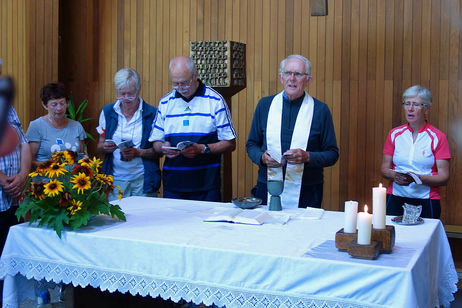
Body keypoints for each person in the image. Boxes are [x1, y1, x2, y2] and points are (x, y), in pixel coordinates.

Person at [246, 54, 339, 208]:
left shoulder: (320, 110)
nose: (292, 78)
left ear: (308, 80)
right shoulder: (265, 105)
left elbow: (332, 154)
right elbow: (251, 145)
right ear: (281, 77)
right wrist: (262, 157)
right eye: (288, 73)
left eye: (298, 74)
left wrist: (308, 156)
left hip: (307, 190)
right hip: (267, 185)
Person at [150, 56, 236, 201]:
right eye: (175, 84)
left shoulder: (215, 100)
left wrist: (202, 149)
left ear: (195, 75)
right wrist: (163, 147)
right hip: (173, 186)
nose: (180, 88)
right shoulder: (165, 102)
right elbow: (156, 142)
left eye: (184, 82)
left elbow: (230, 143)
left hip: (206, 186)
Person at [381, 85, 451, 219]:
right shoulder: (394, 134)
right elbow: (384, 169)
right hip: (396, 196)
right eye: (407, 104)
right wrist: (395, 175)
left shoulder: (438, 137)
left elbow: (444, 177)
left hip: (426, 199)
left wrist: (417, 178)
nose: (410, 109)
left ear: (427, 109)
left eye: (416, 105)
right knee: (393, 238)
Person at [97, 68, 161, 201]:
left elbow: (158, 152)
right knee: (115, 220)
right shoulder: (108, 112)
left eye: (130, 94)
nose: (126, 98)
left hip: (143, 180)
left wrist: (138, 153)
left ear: (138, 90)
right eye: (122, 94)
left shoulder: (151, 113)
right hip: (115, 181)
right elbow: (99, 146)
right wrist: (105, 147)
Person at [26, 83, 87, 168]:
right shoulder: (36, 126)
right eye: (54, 104)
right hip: (46, 179)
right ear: (45, 105)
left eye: (62, 103)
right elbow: (28, 162)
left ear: (67, 103)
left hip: (73, 179)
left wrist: (85, 160)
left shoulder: (77, 126)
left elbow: (82, 155)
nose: (59, 108)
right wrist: (50, 163)